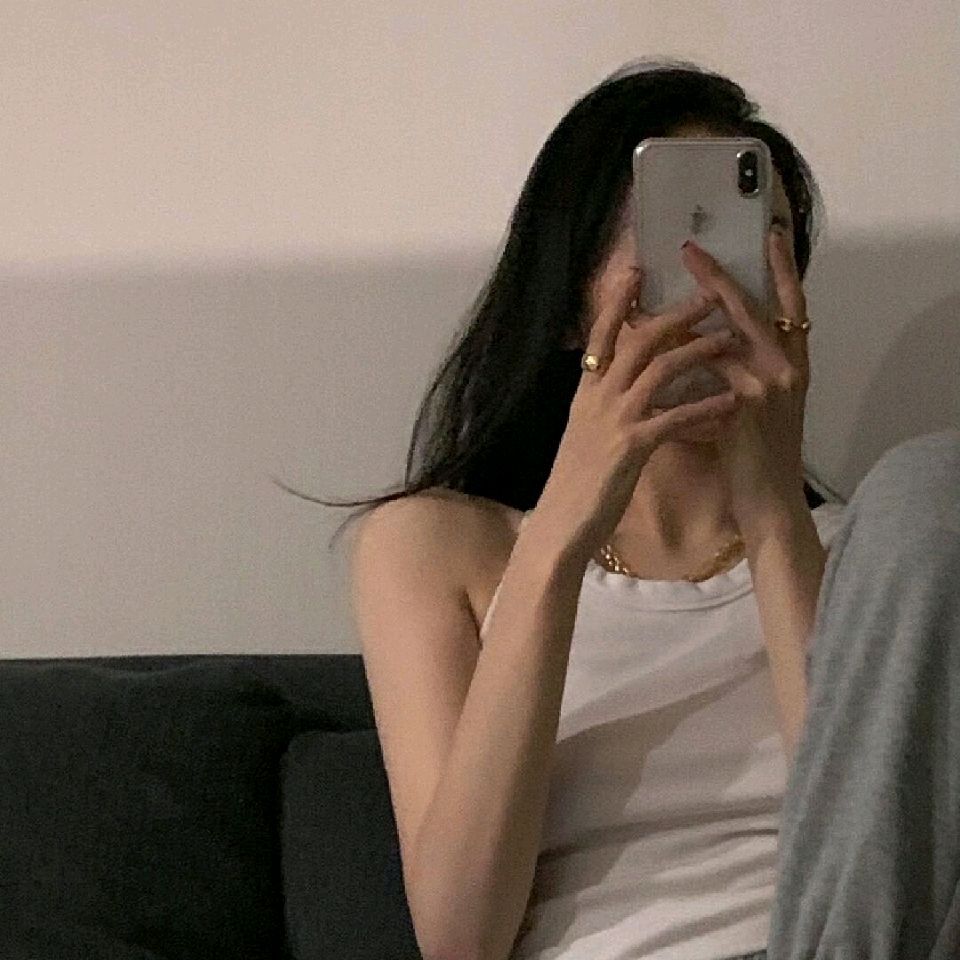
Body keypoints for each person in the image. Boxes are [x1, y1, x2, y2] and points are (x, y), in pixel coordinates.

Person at [273, 59, 960, 960]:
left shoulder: (877, 559)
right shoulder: (439, 546)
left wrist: (772, 512)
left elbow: (876, 865)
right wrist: (566, 524)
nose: (718, 289)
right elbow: (460, 938)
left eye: (760, 245)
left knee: (929, 485)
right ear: (566, 305)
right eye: (677, 241)